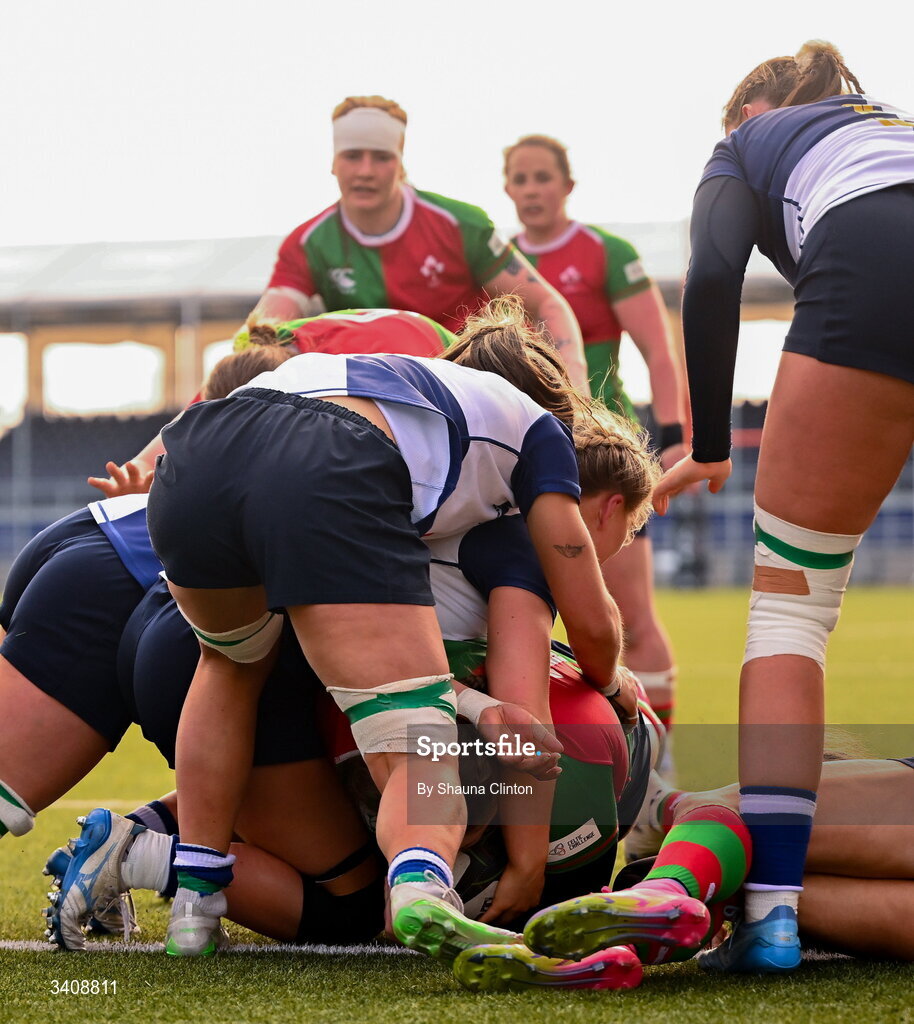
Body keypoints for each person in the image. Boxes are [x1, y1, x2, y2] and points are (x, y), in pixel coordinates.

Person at [144, 298, 624, 958]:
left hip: (197, 453)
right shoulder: (540, 434)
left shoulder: (399, 382)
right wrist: (612, 684)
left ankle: (195, 908)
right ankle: (423, 893)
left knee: (228, 667)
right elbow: (590, 625)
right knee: (416, 741)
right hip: (328, 461)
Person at [653, 39, 914, 971]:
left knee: (790, 612)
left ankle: (770, 917)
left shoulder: (747, 144)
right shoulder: (888, 127)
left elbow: (714, 274)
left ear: (748, 116)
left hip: (870, 274)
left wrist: (709, 446)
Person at [503, 134, 687, 747]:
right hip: (523, 460)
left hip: (603, 464)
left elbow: (660, 351)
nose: (531, 190)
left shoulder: (606, 253)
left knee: (631, 614)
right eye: (520, 179)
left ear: (567, 185)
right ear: (508, 189)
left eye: (542, 178)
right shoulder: (498, 263)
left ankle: (654, 767)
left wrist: (676, 438)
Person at [250, 96, 589, 390]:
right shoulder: (307, 242)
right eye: (352, 156)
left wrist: (576, 389)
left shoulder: (460, 224)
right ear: (333, 163)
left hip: (467, 394)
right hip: (370, 402)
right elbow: (261, 335)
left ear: (400, 164)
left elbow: (547, 304)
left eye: (381, 157)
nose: (365, 170)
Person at [88, 307, 456, 499]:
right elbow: (146, 464)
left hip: (441, 369)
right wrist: (133, 486)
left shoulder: (370, 373)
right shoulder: (242, 372)